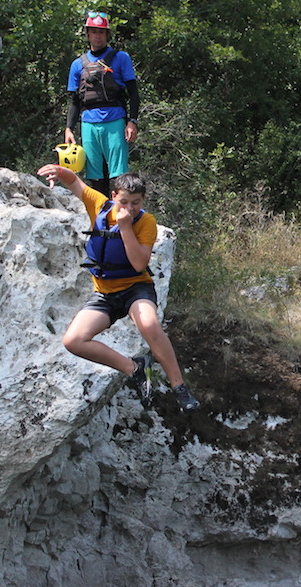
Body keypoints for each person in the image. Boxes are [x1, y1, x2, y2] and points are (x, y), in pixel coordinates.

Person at [36, 160, 200, 412]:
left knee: (149, 324)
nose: (130, 208)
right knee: (74, 340)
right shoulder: (99, 205)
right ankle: (134, 368)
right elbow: (74, 182)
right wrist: (59, 171)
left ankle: (179, 387)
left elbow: (138, 264)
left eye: (136, 203)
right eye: (124, 202)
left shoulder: (146, 223)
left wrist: (125, 227)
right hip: (105, 293)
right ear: (114, 197)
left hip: (136, 289)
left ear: (143, 200)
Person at [64, 10, 139, 196]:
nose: (98, 36)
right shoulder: (77, 64)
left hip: (114, 120)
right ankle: (100, 217)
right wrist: (68, 128)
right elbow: (75, 101)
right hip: (89, 122)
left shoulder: (121, 58)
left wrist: (133, 121)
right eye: (94, 31)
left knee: (119, 175)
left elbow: (133, 93)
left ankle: (119, 216)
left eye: (101, 32)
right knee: (95, 175)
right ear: (88, 33)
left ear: (107, 34)